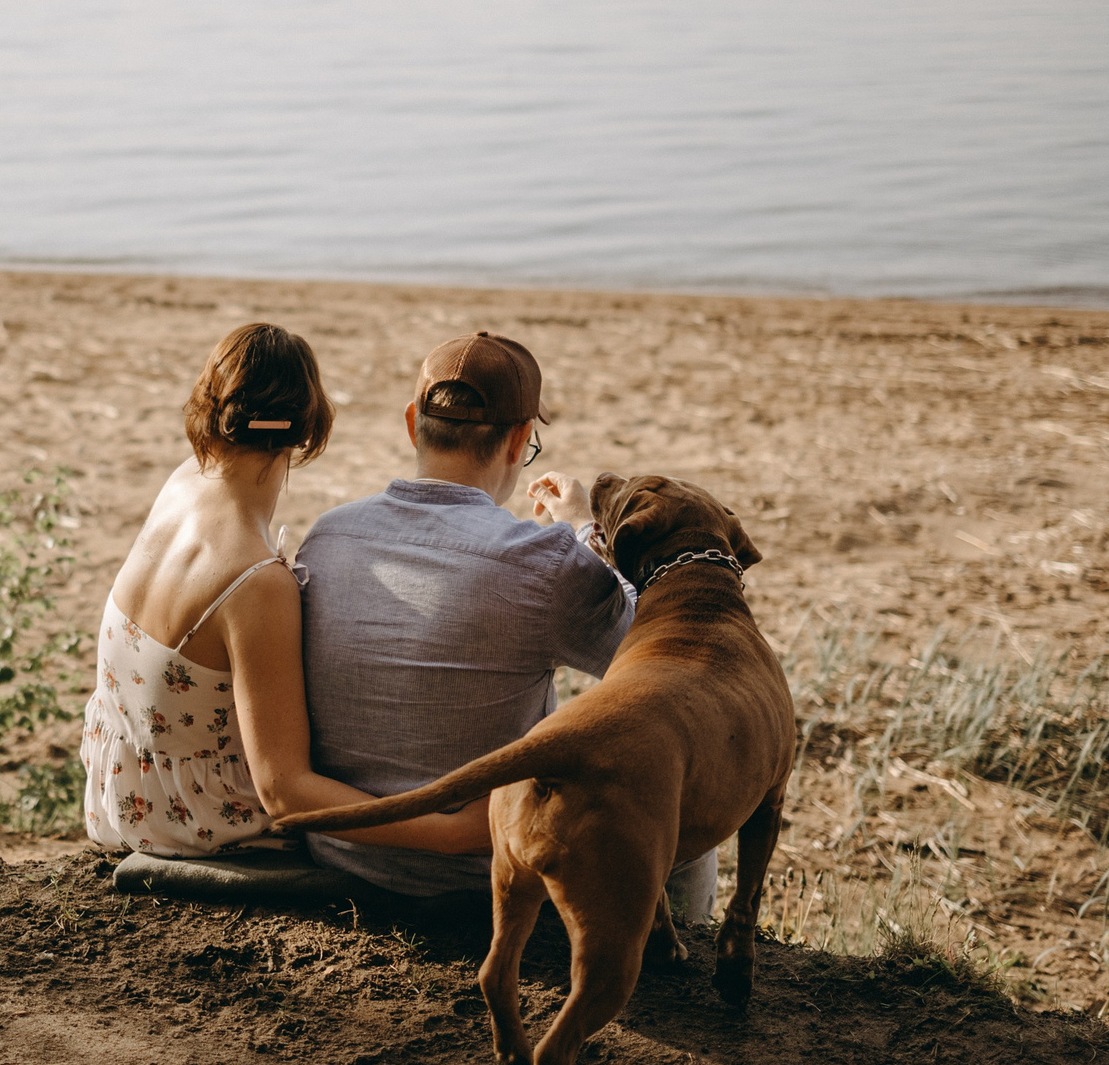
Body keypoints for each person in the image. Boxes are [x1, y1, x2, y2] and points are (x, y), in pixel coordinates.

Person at [80, 323, 491, 860]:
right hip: (193, 824)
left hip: (120, 794)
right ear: (309, 428)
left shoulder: (184, 482)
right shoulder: (256, 583)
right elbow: (284, 794)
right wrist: (453, 833)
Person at [295, 331, 680, 900]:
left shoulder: (329, 533)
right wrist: (584, 532)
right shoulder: (542, 560)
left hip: (344, 856)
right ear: (519, 439)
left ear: (412, 423)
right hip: (481, 874)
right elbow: (650, 652)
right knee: (681, 812)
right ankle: (679, 962)